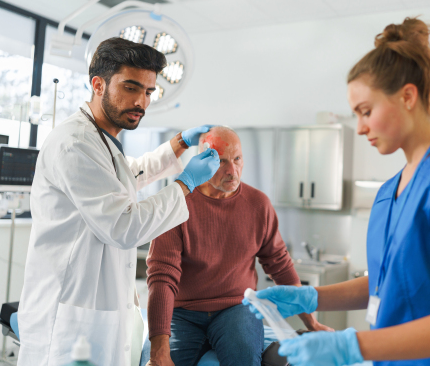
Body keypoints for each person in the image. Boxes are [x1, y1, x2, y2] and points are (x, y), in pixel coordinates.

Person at [245, 17, 430, 365]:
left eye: (366, 111)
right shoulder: (389, 193)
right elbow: (387, 283)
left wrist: (350, 346)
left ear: (408, 96)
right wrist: (309, 297)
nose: (359, 128)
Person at [17, 37, 220, 366]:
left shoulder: (100, 140)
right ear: (98, 84)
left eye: (149, 92)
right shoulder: (76, 143)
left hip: (96, 312)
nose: (141, 101)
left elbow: (128, 175)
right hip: (68, 315)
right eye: (130, 87)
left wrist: (178, 144)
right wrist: (186, 184)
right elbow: (124, 226)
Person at [141, 126, 332, 366]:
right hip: (182, 312)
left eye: (237, 159)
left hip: (236, 308)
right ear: (201, 161)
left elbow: (280, 267)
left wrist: (311, 323)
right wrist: (159, 347)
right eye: (221, 161)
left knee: (243, 356)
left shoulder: (258, 204)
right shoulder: (176, 203)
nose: (232, 171)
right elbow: (161, 278)